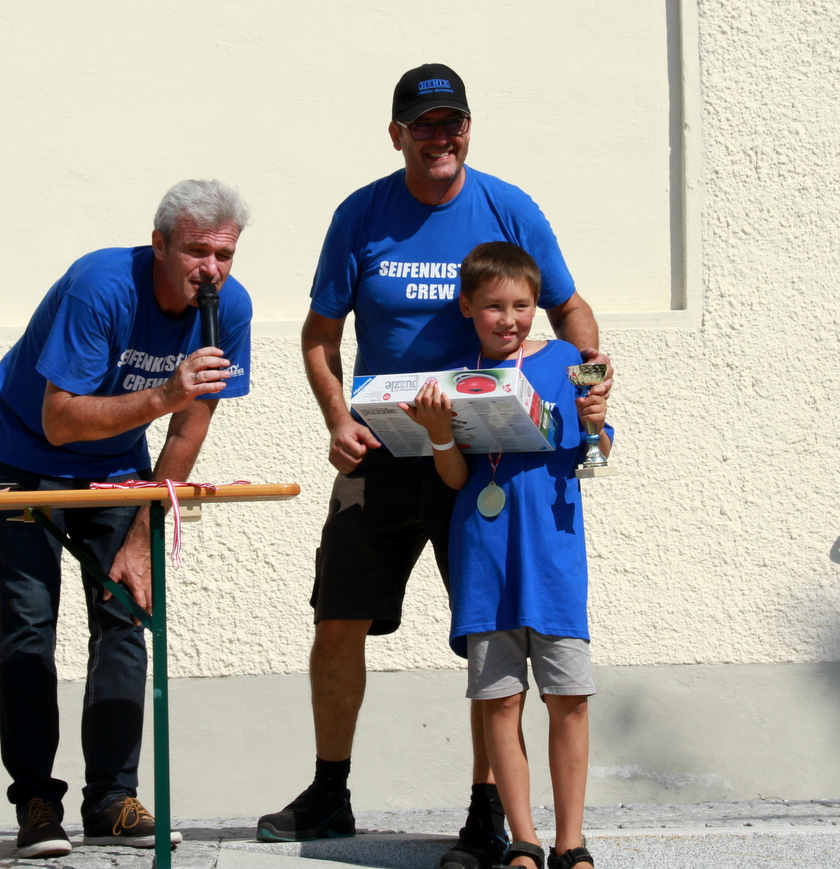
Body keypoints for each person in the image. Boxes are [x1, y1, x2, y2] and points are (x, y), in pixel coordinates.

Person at [257, 64, 609, 869]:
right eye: (425, 126)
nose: (440, 138)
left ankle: (489, 817)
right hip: (382, 448)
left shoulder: (508, 207)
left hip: (481, 457)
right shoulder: (361, 214)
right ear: (397, 136)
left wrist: (590, 377)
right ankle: (330, 789)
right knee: (338, 616)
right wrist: (336, 418)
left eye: (453, 123)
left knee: (487, 634)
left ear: (468, 130)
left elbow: (569, 308)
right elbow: (319, 335)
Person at [0, 179, 252, 858]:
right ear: (159, 244)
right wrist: (164, 392)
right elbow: (60, 419)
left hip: (117, 462)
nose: (211, 270)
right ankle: (37, 800)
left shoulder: (229, 309)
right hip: (25, 450)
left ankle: (112, 799)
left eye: (224, 255)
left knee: (126, 611)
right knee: (29, 622)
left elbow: (189, 428)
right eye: (196, 252)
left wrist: (139, 535)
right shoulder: (100, 287)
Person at [403, 241, 607, 869]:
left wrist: (596, 421)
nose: (509, 318)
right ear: (468, 307)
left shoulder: (568, 360)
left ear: (536, 305)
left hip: (553, 560)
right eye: (494, 306)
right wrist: (440, 434)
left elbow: (599, 452)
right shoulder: (451, 379)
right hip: (485, 563)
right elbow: (456, 480)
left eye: (521, 305)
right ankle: (524, 840)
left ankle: (571, 842)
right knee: (500, 701)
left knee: (568, 699)